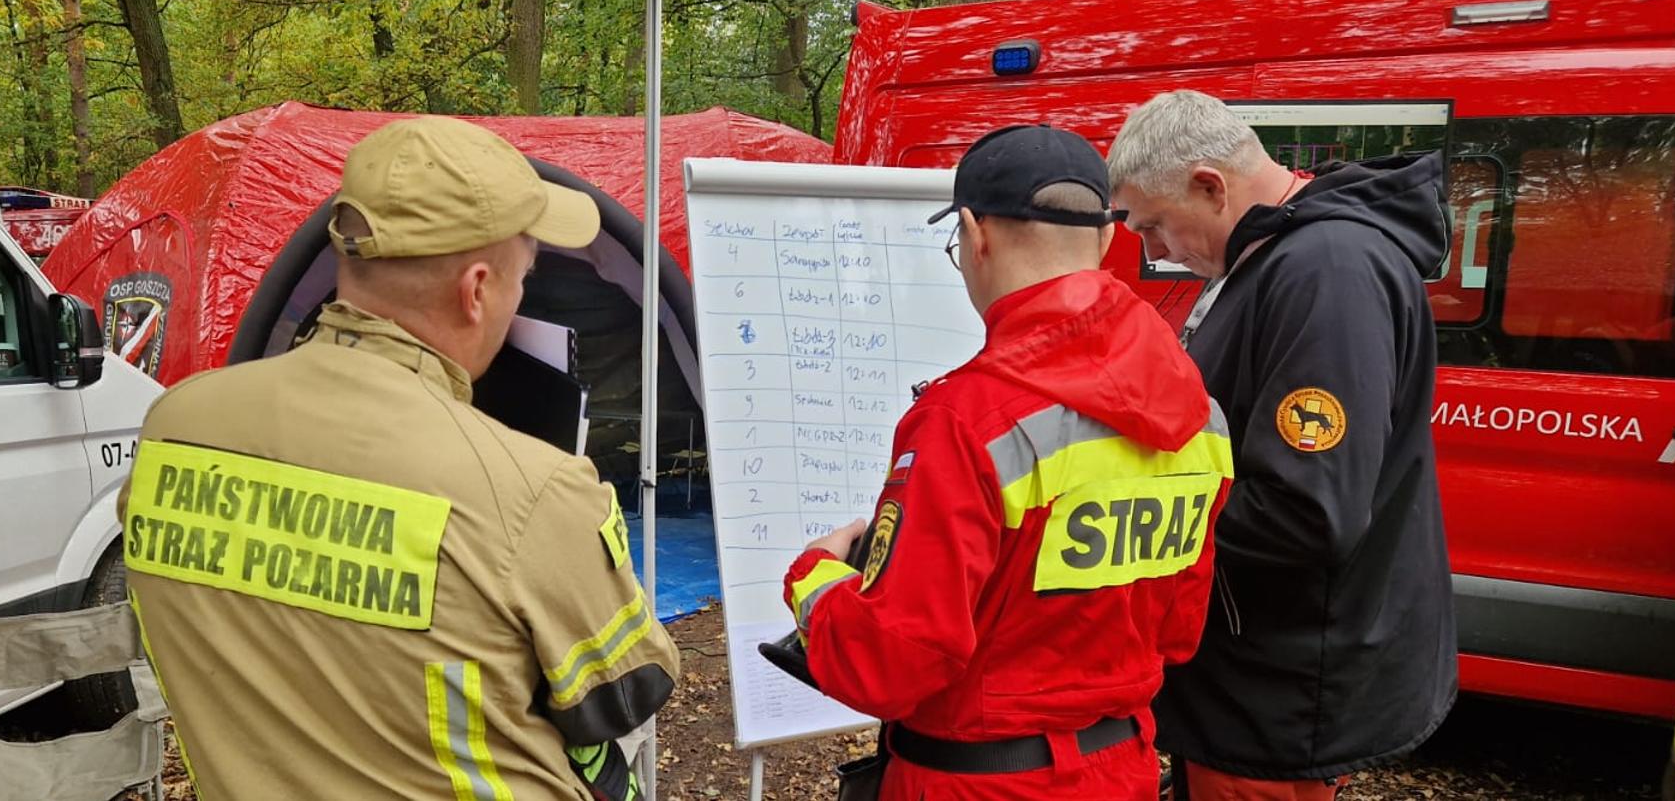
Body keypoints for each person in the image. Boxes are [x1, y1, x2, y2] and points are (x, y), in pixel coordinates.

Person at [120, 116, 679, 800]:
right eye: (520, 281)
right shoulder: (535, 489)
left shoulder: (175, 426)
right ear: (477, 290)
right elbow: (629, 689)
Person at [780, 124, 1235, 800]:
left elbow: (892, 663)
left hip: (975, 782)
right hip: (1122, 769)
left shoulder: (964, 421)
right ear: (1107, 240)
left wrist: (814, 579)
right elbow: (1176, 629)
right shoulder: (1201, 415)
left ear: (975, 232)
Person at [1108, 90, 1458, 800]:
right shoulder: (1275, 255)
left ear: (1209, 184)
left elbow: (1305, 509)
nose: (1154, 251)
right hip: (1258, 666)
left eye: (1154, 226)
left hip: (1280, 685)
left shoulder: (1325, 269)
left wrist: (1133, 510)